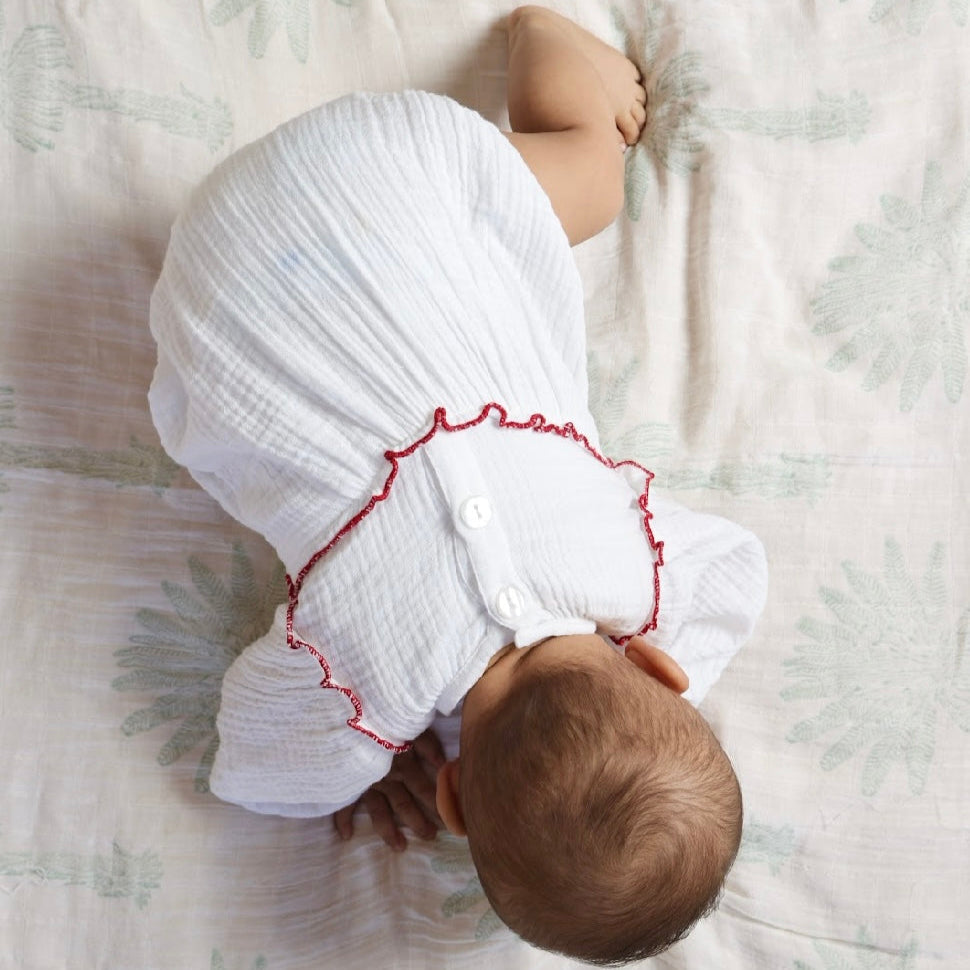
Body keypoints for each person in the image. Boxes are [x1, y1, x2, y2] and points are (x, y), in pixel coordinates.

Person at [147, 5, 767, 965]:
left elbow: (730, 576)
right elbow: (257, 761)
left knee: (588, 176)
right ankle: (539, 34)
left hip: (399, 172)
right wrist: (364, 758)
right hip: (219, 268)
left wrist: (646, 664)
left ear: (655, 666)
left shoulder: (635, 566)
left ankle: (549, 47)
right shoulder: (359, 680)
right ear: (450, 797)